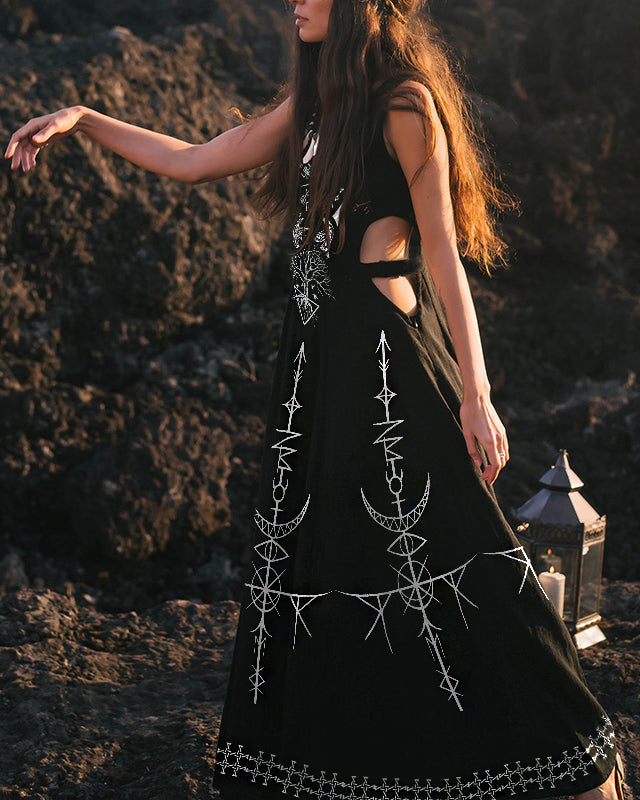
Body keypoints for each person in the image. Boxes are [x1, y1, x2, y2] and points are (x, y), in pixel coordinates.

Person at [4, 0, 626, 798]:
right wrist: (85, 119)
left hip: (388, 368)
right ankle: (356, 765)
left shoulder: (405, 104)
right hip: (318, 369)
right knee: (333, 560)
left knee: (451, 549)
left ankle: (571, 762)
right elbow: (198, 158)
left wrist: (478, 394)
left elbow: (443, 252)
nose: (295, 1)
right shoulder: (315, 100)